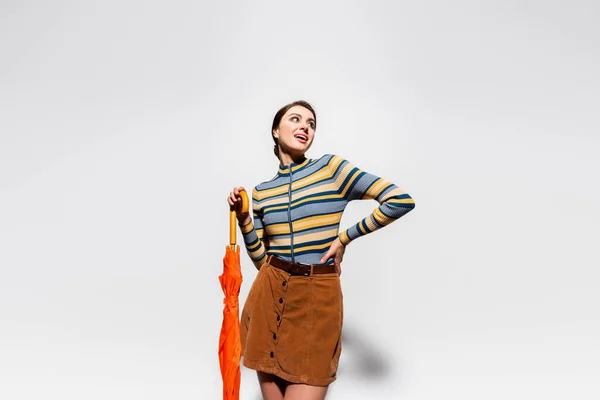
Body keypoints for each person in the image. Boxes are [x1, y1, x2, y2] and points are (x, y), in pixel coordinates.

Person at [227, 100, 415, 400]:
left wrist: (345, 238)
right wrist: (245, 219)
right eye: (296, 119)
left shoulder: (331, 169)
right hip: (269, 298)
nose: (305, 126)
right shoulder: (262, 192)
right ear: (276, 131)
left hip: (317, 296)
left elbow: (399, 200)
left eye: (311, 123)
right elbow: (262, 263)